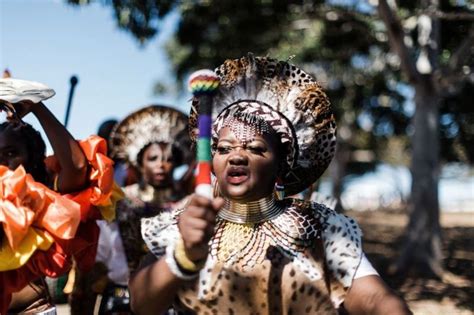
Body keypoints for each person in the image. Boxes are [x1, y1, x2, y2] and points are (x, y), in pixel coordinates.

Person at [128, 54, 412, 314]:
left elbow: (375, 300)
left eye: (254, 148)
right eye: (224, 149)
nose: (236, 156)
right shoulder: (184, 225)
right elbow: (141, 305)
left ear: (281, 164)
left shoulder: (320, 226)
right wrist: (183, 256)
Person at [0, 78, 120, 314]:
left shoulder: (45, 200)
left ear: (32, 158)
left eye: (11, 153)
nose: (2, 161)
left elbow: (76, 167)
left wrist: (35, 106)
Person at [94, 105, 194, 314]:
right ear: (139, 162)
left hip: (172, 299)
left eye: (168, 159)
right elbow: (102, 255)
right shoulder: (120, 199)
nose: (161, 165)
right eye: (153, 158)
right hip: (121, 298)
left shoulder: (187, 203)